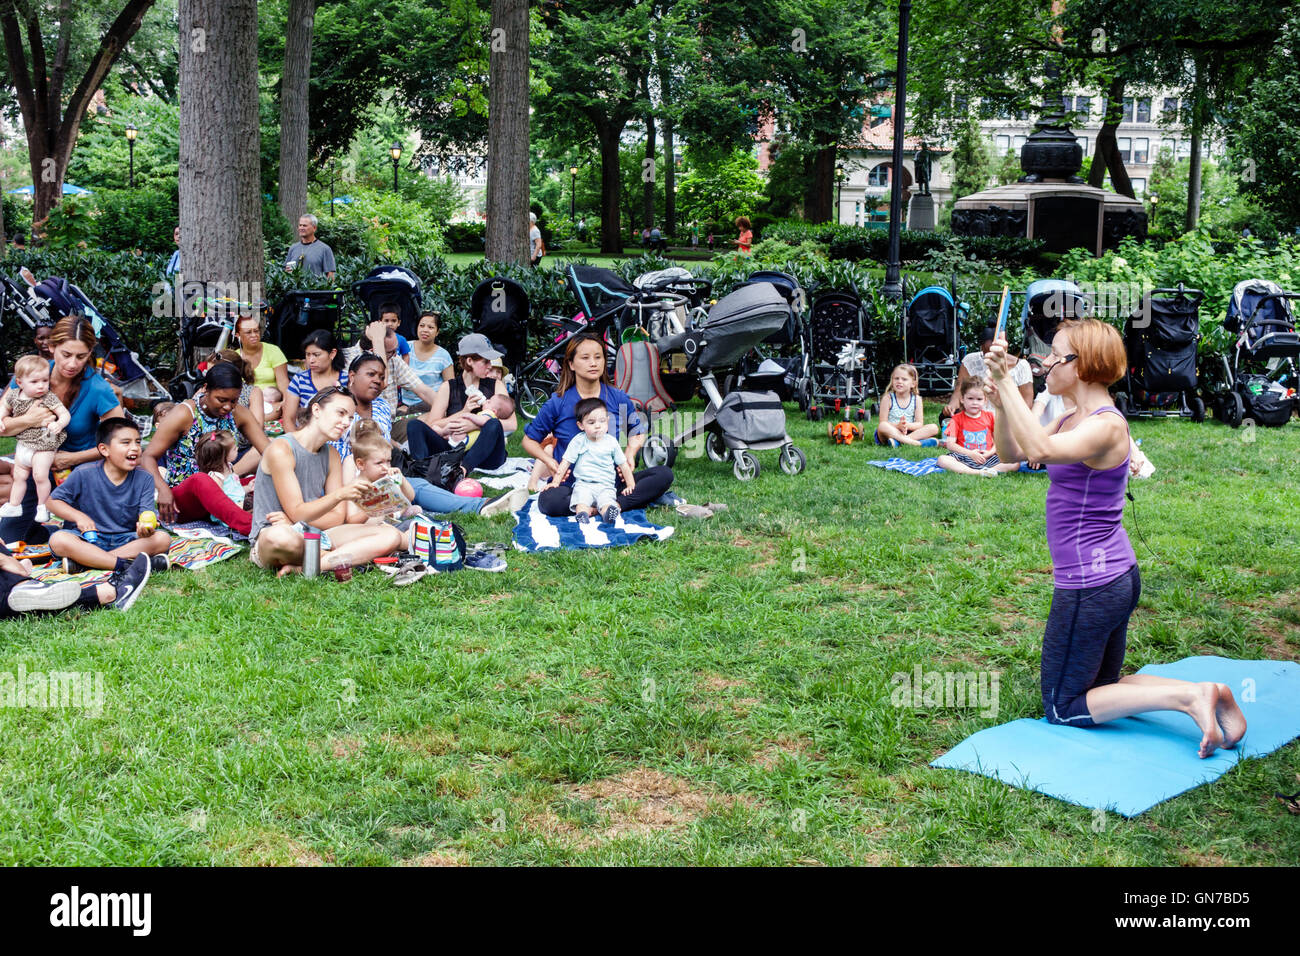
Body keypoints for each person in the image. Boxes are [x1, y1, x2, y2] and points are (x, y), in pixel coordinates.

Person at [984, 318, 1246, 758]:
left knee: (1063, 706)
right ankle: (1207, 691)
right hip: (1111, 578)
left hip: (1092, 585)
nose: (1046, 362)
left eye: (1055, 355)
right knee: (1103, 689)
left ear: (1082, 366)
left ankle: (1187, 699)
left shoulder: (1107, 426)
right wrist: (1000, 403)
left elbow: (1042, 452)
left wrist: (1007, 382)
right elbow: (1014, 453)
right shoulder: (1071, 417)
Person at [248, 387, 404, 577]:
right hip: (276, 534)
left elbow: (337, 517)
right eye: (341, 413)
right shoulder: (281, 449)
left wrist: (297, 521)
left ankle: (312, 565)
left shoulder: (331, 455)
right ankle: (341, 556)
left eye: (350, 417)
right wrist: (339, 495)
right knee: (280, 537)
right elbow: (297, 510)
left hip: (317, 534)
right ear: (316, 410)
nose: (346, 422)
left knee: (391, 535)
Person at [0, 316, 126, 546]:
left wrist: (72, 458)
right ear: (51, 347)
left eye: (81, 356)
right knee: (7, 540)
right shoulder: (32, 375)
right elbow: (2, 426)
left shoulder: (97, 388)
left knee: (77, 543)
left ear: (90, 354)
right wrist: (30, 419)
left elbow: (123, 442)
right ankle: (41, 533)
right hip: (37, 467)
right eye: (66, 354)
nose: (72, 364)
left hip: (82, 474)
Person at [522, 334, 675, 517]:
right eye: (585, 358)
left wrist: (630, 454)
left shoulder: (617, 397)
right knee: (549, 501)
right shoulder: (558, 402)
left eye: (598, 357)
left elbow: (637, 432)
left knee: (664, 475)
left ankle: (609, 506)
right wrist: (550, 462)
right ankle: (603, 507)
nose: (593, 363)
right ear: (571, 364)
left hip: (611, 483)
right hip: (572, 486)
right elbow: (529, 440)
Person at [142, 362, 272, 520]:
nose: (228, 407)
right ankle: (250, 525)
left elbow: (269, 452)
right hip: (187, 497)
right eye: (221, 400)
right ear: (205, 388)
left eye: (234, 401)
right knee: (202, 480)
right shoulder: (184, 414)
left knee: (258, 479)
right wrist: (162, 490)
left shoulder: (238, 413)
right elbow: (147, 456)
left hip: (223, 489)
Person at [47, 417, 172, 574]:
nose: (135, 448)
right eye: (126, 443)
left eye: (138, 442)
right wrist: (79, 517)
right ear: (104, 449)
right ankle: (127, 565)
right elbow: (52, 502)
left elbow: (145, 514)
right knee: (59, 540)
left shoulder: (145, 478)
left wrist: (145, 529)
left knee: (162, 539)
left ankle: (88, 562)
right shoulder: (83, 473)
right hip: (87, 539)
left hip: (127, 541)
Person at [345, 419, 526, 519]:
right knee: (420, 488)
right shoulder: (349, 463)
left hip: (403, 489)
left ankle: (483, 504)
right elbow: (350, 503)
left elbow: (408, 495)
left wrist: (400, 481)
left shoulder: (385, 462)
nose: (385, 466)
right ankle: (482, 506)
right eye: (380, 463)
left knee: (419, 486)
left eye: (387, 461)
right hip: (378, 510)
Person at [407, 334, 514, 474]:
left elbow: (512, 424)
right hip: (454, 449)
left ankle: (462, 471)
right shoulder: (448, 387)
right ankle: (421, 471)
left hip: (487, 456)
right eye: (485, 361)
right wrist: (463, 412)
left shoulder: (496, 385)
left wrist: (476, 424)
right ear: (470, 361)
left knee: (494, 424)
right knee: (414, 425)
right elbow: (433, 424)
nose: (490, 366)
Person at [0, 355, 71, 522]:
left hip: (44, 444)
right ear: (19, 382)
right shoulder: (13, 396)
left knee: (40, 476)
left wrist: (60, 424)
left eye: (44, 381)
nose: (41, 386)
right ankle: (15, 505)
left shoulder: (48, 397)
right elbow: (4, 407)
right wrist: (1, 418)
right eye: (34, 382)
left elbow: (64, 414)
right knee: (19, 476)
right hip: (24, 443)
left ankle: (42, 507)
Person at [547, 397, 636, 524]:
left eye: (602, 421)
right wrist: (556, 482)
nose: (598, 426)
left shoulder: (611, 442)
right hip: (584, 484)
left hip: (606, 485)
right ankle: (583, 515)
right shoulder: (579, 441)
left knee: (607, 502)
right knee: (581, 502)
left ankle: (608, 514)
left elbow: (624, 465)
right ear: (581, 425)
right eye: (591, 422)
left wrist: (630, 484)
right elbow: (565, 462)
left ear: (608, 421)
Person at [341, 321, 439, 413]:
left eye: (396, 350)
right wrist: (378, 340)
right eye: (390, 352)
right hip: (360, 423)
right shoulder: (347, 359)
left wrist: (446, 409)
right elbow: (383, 382)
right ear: (373, 351)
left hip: (391, 421)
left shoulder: (394, 360)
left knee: (432, 413)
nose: (395, 354)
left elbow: (423, 391)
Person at [944, 326, 1033, 422]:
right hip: (975, 415)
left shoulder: (1022, 366)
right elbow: (958, 391)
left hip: (1007, 419)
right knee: (947, 418)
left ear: (1005, 348)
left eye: (995, 353)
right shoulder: (970, 361)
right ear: (981, 348)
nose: (990, 358)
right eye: (986, 353)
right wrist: (952, 406)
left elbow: (1027, 404)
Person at [173, 430, 252, 536]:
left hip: (239, 499)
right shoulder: (216, 477)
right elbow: (218, 501)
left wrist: (248, 487)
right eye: (234, 448)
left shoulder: (229, 467)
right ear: (223, 456)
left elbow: (235, 488)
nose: (237, 448)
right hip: (230, 507)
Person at [937, 378, 1021, 476]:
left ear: (985, 400)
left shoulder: (990, 417)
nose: (975, 402)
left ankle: (991, 470)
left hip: (987, 457)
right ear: (962, 399)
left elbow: (999, 441)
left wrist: (990, 453)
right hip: (964, 457)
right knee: (942, 460)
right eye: (970, 398)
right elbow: (950, 445)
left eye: (979, 399)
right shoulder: (956, 419)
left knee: (1014, 463)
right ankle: (977, 472)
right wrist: (970, 454)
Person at [284, 329, 348, 429]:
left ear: (332, 354)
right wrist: (296, 442)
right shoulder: (299, 380)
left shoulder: (346, 379)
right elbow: (288, 419)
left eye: (316, 355)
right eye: (308, 354)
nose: (311, 360)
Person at [234, 312, 289, 421]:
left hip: (270, 403)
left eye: (256, 331)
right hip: (244, 403)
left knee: (274, 410)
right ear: (238, 335)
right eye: (248, 332)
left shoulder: (273, 351)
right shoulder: (235, 357)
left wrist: (285, 402)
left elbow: (283, 382)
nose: (254, 335)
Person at [399, 311, 455, 413]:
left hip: (431, 404)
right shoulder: (405, 347)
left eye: (430, 327)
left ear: (437, 332)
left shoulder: (443, 356)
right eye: (422, 326)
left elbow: (451, 388)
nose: (425, 330)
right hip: (404, 404)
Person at [874, 364, 939, 447]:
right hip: (891, 433)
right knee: (882, 426)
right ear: (892, 380)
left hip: (909, 431)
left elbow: (919, 424)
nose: (899, 381)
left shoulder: (917, 399)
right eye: (896, 378)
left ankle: (899, 442)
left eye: (904, 379)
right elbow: (883, 422)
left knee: (933, 428)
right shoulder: (888, 398)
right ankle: (917, 443)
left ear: (913, 384)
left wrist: (907, 425)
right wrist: (898, 426)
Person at [284, 214, 336, 281]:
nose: (301, 228)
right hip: (295, 290)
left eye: (305, 225)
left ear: (314, 228)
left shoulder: (325, 249)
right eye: (300, 225)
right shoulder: (293, 247)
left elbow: (330, 276)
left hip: (314, 290)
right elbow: (285, 271)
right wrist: (287, 271)